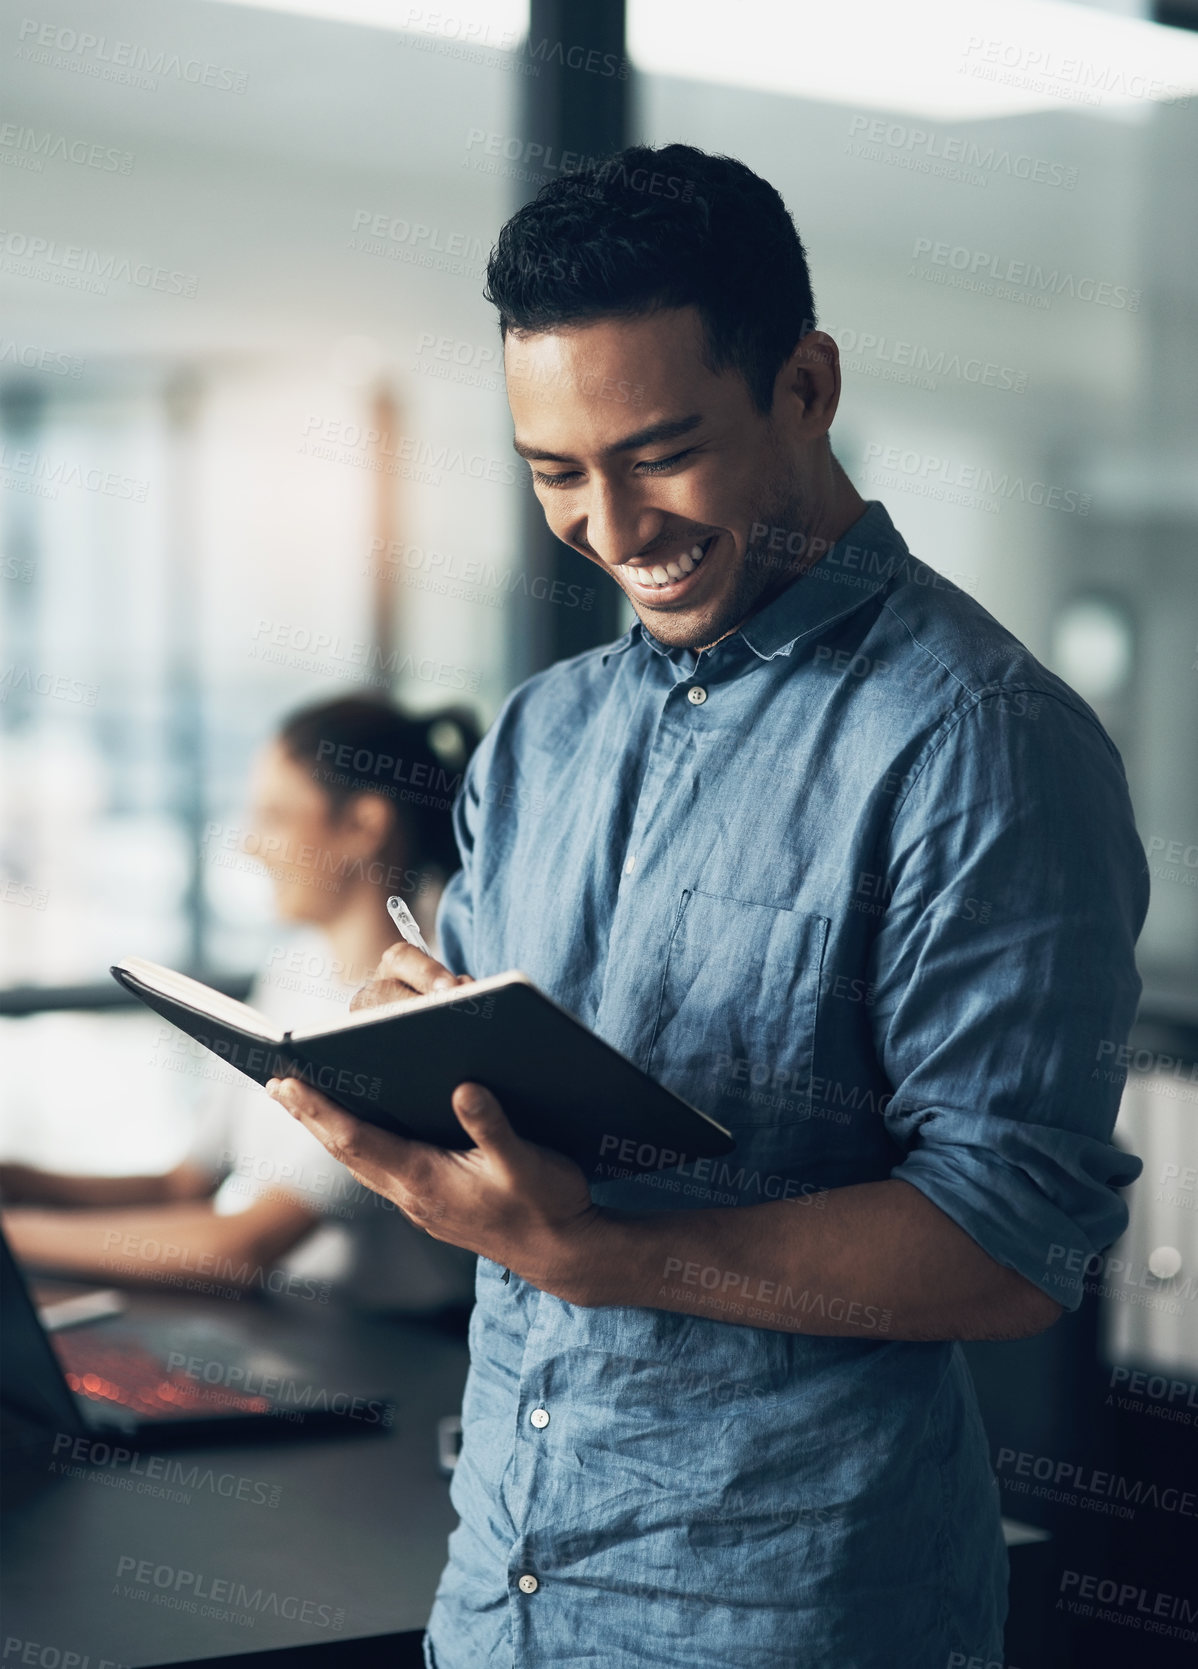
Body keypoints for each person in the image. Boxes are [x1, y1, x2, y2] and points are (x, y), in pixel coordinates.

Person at [262, 146, 1149, 1667]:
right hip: (500, 1595)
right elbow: (512, 1115)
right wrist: (404, 1060)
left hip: (786, 1618)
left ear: (804, 386)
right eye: (555, 473)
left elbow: (1008, 1252)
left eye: (659, 453)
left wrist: (603, 1255)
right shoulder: (542, 733)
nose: (611, 528)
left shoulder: (982, 740)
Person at [1, 696, 480, 1318]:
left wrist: (12, 1235)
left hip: (394, 1352)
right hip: (300, 1328)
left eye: (276, 816)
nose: (252, 846)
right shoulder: (292, 968)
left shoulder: (420, 997)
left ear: (365, 824)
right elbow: (186, 1185)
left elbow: (241, 1247)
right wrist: (18, 1181)